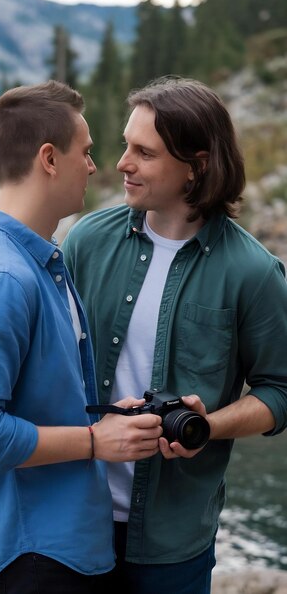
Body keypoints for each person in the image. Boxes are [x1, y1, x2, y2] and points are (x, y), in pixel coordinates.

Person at [62, 75, 287, 594]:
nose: (121, 163)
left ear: (197, 166)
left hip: (173, 545)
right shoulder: (86, 242)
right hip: (73, 521)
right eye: (125, 145)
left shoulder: (253, 272)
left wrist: (208, 426)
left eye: (144, 152)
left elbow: (280, 391)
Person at [0, 80, 163, 594]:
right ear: (48, 158)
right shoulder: (1, 279)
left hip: (67, 551)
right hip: (34, 561)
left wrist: (108, 419)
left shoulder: (40, 262)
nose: (94, 166)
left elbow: (40, 399)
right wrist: (92, 441)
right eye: (84, 152)